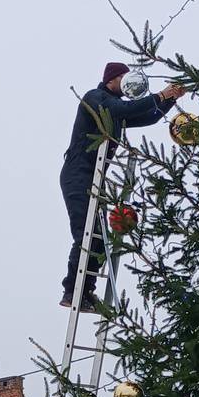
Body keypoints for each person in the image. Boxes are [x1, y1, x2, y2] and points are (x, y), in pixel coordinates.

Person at [59, 60, 184, 307]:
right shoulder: (95, 98)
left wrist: (169, 99)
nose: (128, 86)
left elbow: (146, 116)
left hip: (95, 177)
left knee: (97, 237)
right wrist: (160, 94)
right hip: (78, 173)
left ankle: (85, 293)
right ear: (112, 80)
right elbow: (122, 110)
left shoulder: (116, 110)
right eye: (124, 80)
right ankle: (72, 291)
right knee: (86, 232)